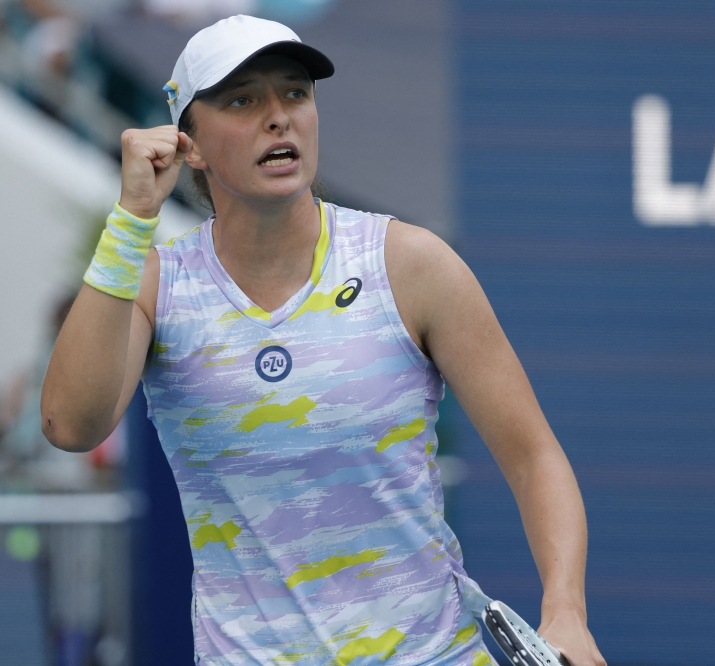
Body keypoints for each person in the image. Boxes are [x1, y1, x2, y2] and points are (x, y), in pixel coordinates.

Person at [41, 14, 605, 666]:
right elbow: (70, 426)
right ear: (188, 145)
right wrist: (132, 218)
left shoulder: (410, 264)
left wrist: (566, 611)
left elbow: (534, 457)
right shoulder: (155, 285)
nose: (278, 117)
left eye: (295, 93)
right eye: (242, 101)